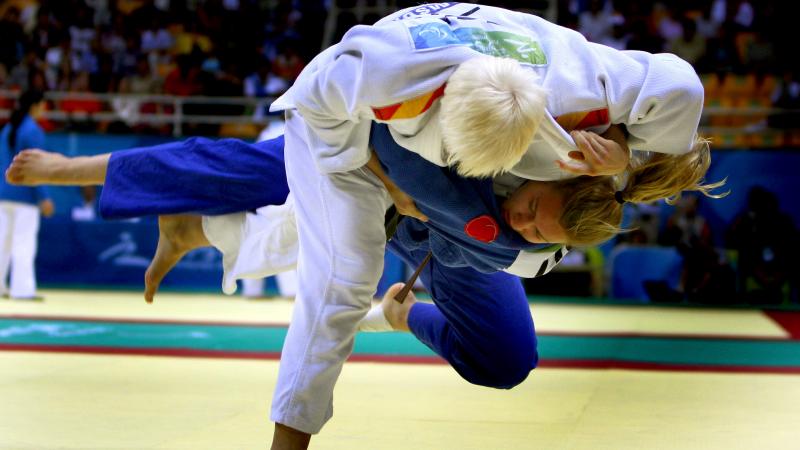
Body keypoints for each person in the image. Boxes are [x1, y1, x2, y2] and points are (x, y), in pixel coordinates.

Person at [7, 5, 724, 448]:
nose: (526, 216)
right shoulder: (384, 75)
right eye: (534, 212)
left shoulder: (588, 112)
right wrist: (374, 176)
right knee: (277, 172)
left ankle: (397, 307)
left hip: (459, 228)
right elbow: (316, 117)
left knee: (507, 355)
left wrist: (626, 154)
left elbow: (681, 96)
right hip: (381, 147)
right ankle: (120, 186)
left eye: (539, 216)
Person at [0, 90, 54, 300]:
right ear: (35, 106)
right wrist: (44, 197)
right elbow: (36, 168)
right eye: (43, 105)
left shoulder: (7, 129)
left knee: (2, 242)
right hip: (25, 198)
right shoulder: (33, 131)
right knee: (23, 242)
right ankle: (22, 290)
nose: (45, 109)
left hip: (3, 193)